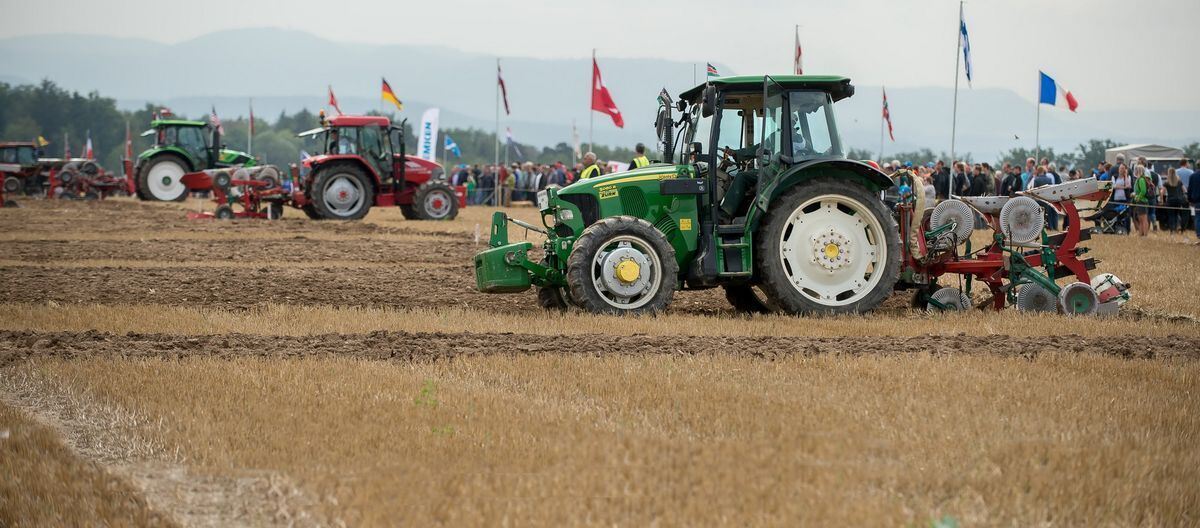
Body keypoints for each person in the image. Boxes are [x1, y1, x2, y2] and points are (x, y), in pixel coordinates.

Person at [1162, 168, 1187, 233]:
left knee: (1171, 215)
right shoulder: (1179, 181)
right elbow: (1185, 190)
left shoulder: (1166, 182)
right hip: (1179, 200)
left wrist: (1162, 200)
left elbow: (1162, 192)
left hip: (1170, 200)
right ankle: (1178, 227)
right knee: (1177, 214)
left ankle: (1172, 230)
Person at [1131, 165, 1153, 236]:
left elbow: (1143, 191)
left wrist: (1137, 197)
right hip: (1140, 201)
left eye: (1136, 170)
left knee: (1144, 219)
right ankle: (1141, 234)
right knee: (1140, 219)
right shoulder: (1139, 179)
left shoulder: (1141, 179)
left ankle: (1145, 234)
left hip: (1142, 201)